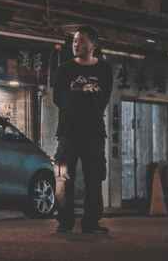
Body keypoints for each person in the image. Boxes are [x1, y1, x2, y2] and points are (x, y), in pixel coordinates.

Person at [52, 27, 113, 236]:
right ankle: (64, 220)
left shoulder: (104, 69)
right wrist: (84, 97)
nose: (76, 44)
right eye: (75, 41)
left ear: (93, 44)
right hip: (67, 133)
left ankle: (92, 222)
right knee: (61, 174)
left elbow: (103, 99)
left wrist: (79, 99)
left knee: (94, 177)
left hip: (94, 133)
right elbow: (58, 98)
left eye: (81, 41)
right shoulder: (64, 69)